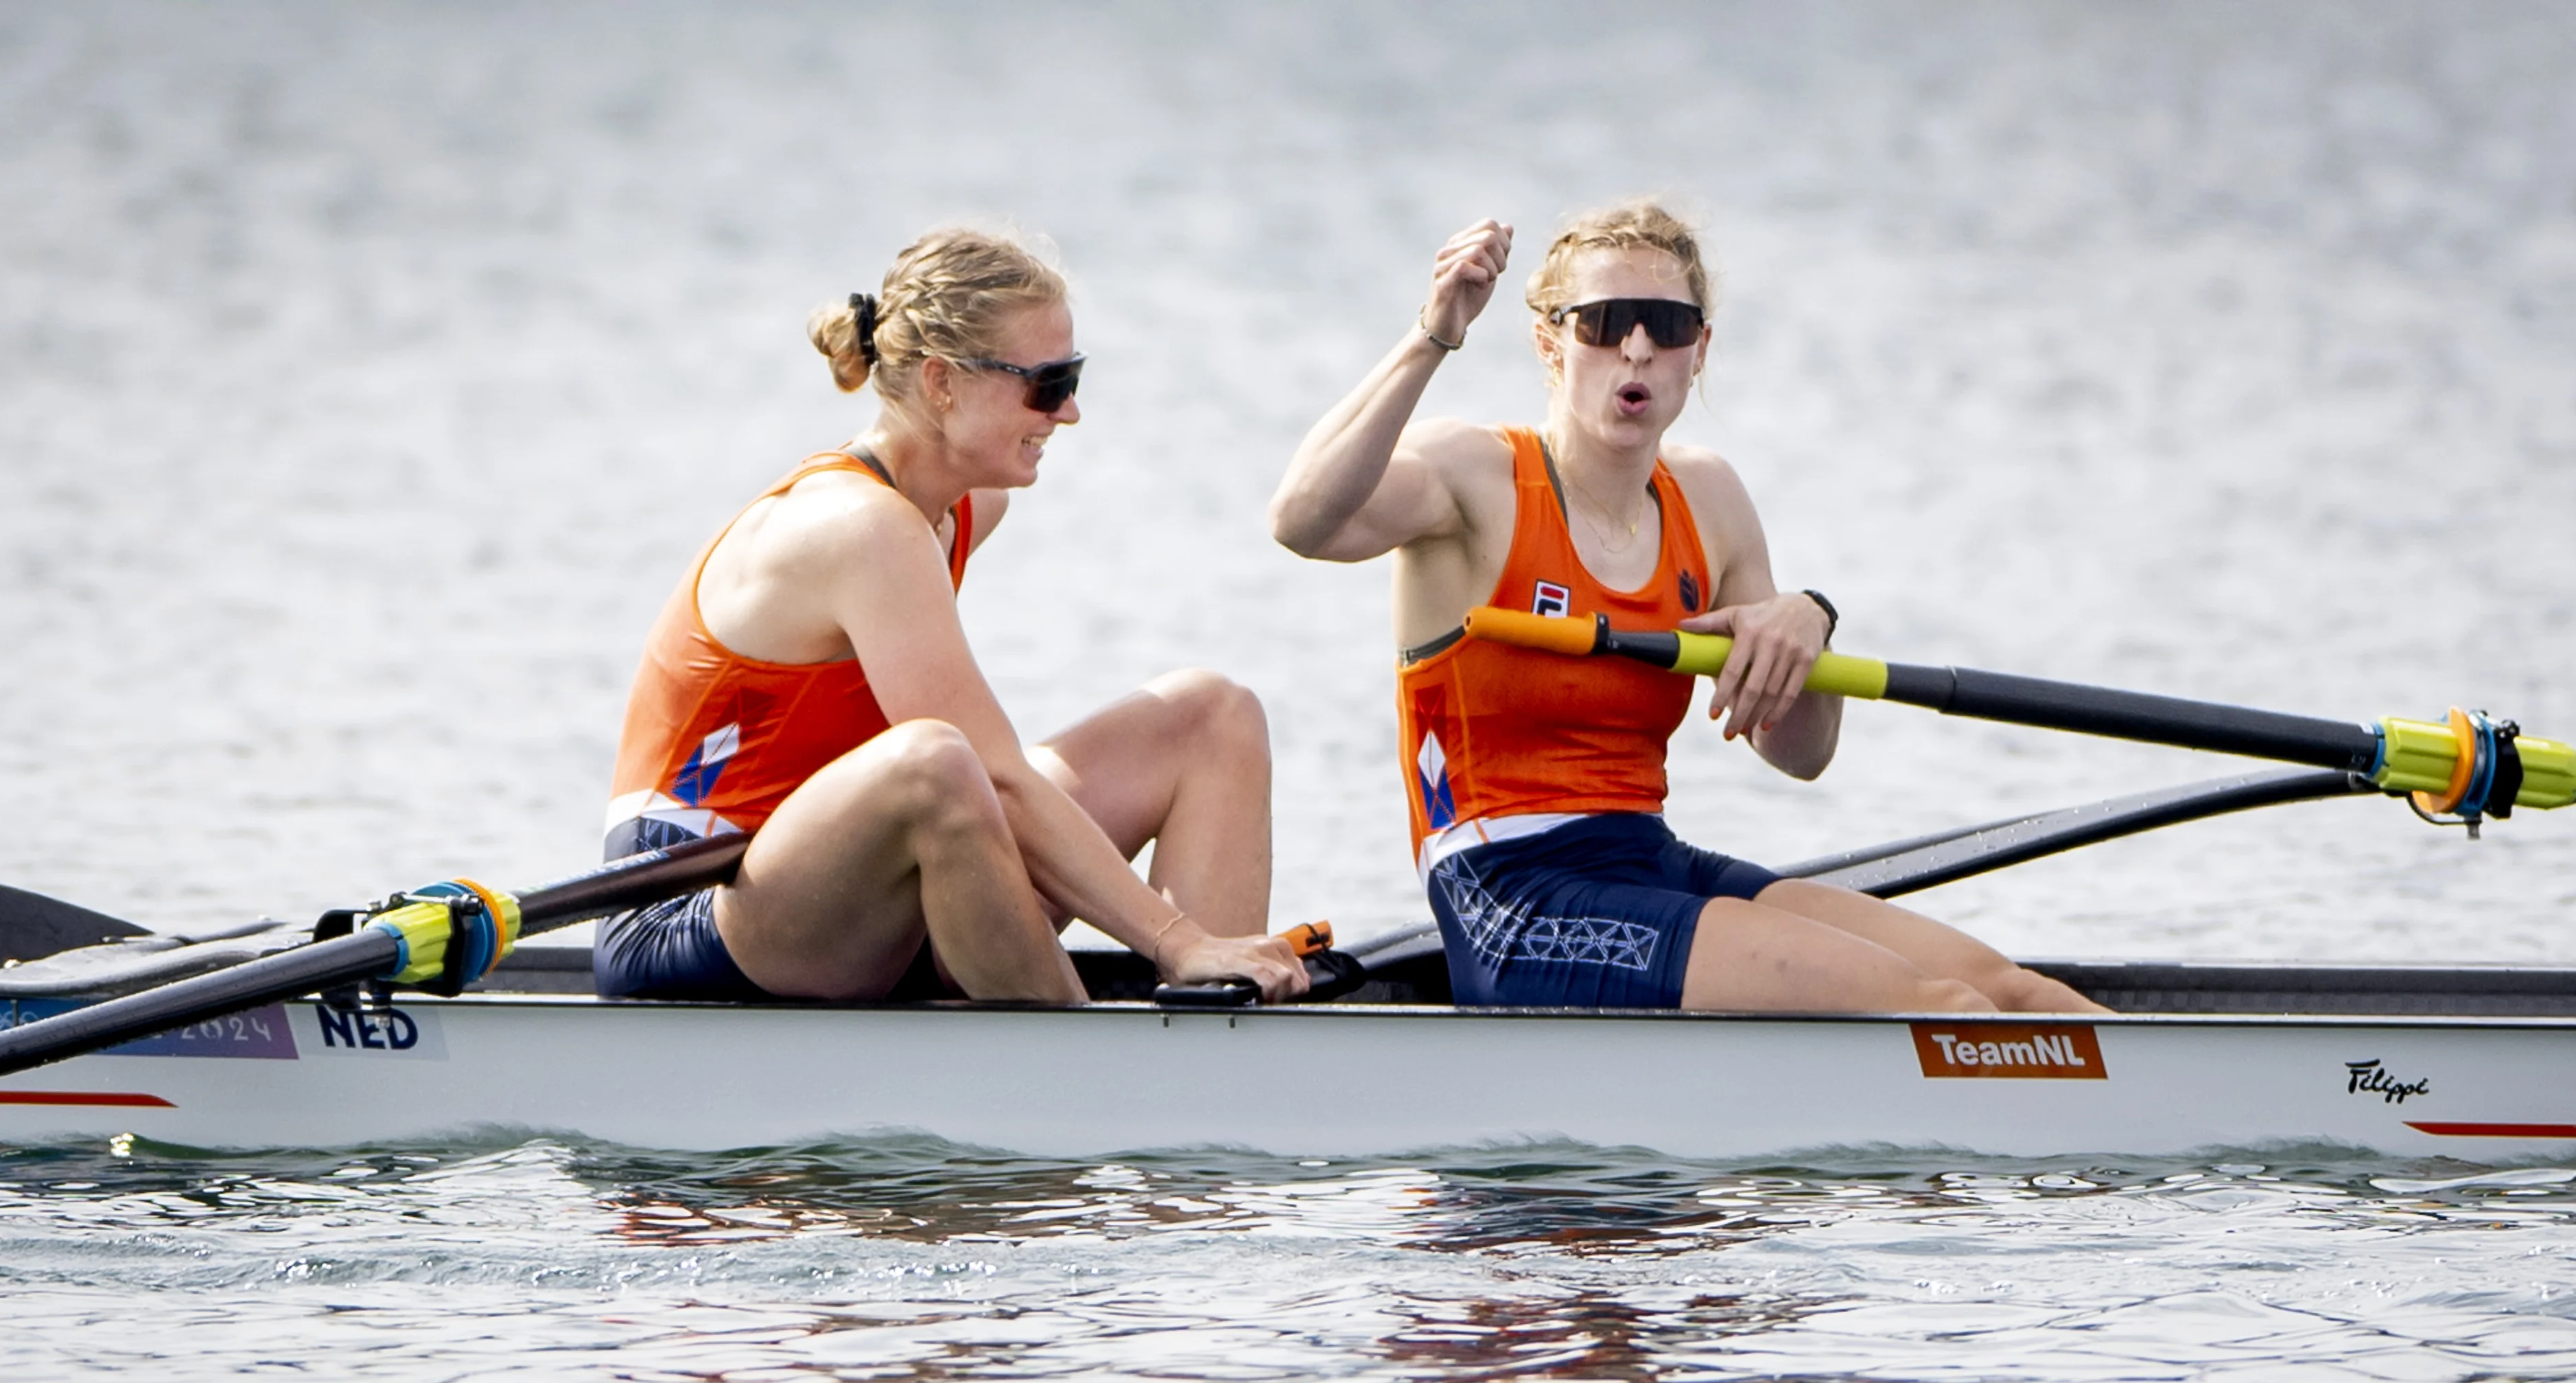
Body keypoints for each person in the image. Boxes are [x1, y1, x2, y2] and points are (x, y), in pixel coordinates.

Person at [1269, 202, 2096, 1014]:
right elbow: (1301, 520)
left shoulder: (1710, 498)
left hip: (1651, 861)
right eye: (1604, 321)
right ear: (1550, 344)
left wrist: (1807, 622)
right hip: (1508, 895)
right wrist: (1435, 332)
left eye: (1666, 324)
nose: (1636, 347)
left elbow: (1800, 753)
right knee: (1940, 1004)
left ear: (1698, 353)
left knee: (2016, 993)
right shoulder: (1473, 477)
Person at [599, 226, 1307, 1005]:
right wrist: (1176, 936)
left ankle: (1219, 1021)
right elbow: (995, 780)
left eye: (1073, 377)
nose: (1068, 412)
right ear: (940, 383)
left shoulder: (962, 505)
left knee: (1212, 717)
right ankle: (1093, 1062)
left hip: (857, 888)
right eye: (1045, 383)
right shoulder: (862, 527)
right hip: (690, 910)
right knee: (938, 762)